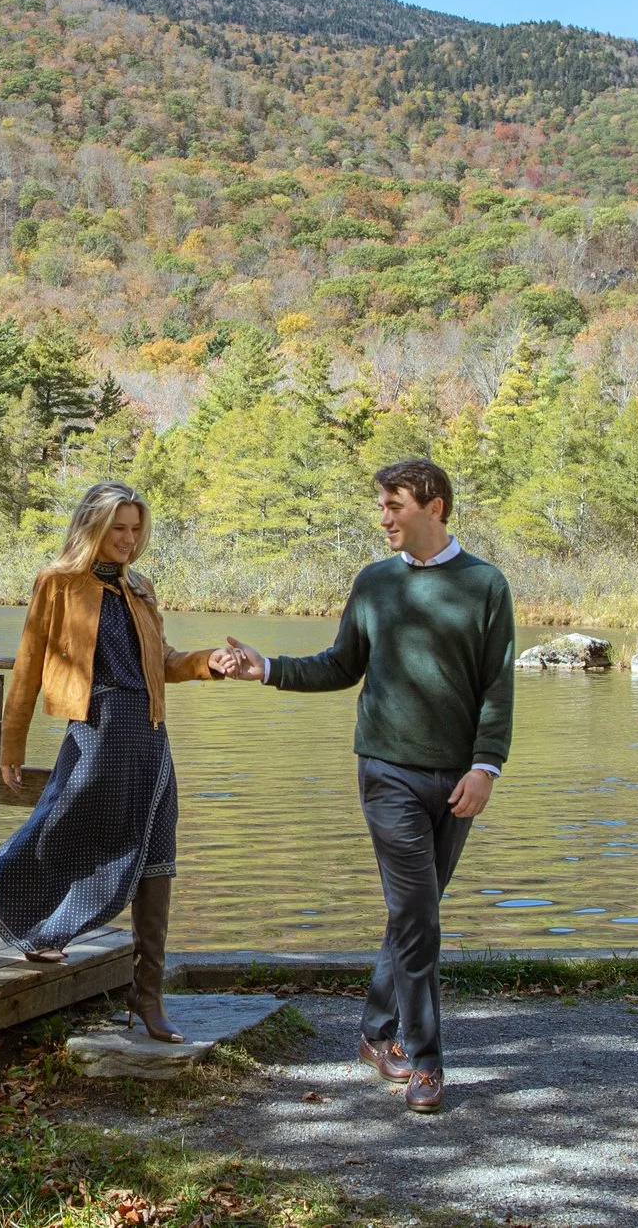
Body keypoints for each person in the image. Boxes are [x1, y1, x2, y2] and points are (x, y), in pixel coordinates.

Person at [212, 458, 514, 1113]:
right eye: (381, 505)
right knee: (417, 912)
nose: (383, 517)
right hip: (386, 771)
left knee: (415, 910)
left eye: (394, 504)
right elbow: (339, 665)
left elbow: (498, 687)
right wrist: (267, 668)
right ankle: (426, 1060)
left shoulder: (486, 585)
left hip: (458, 777)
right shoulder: (374, 583)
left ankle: (376, 1031)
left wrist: (486, 767)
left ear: (433, 506)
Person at [0, 481, 220, 1041]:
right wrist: (11, 746)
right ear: (93, 526)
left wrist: (208, 662)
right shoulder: (58, 583)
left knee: (158, 851)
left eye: (136, 528)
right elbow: (27, 667)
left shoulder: (139, 588)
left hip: (149, 730)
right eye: (118, 527)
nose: (128, 538)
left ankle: (149, 997)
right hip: (97, 726)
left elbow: (161, 661)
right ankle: (6, 898)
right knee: (76, 826)